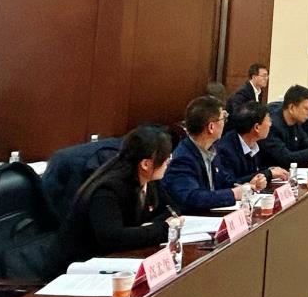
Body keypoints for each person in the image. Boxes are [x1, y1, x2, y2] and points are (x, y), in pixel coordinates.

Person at [60, 124, 180, 259]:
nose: (167, 163)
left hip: (122, 256)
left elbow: (171, 209)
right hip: (85, 261)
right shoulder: (107, 190)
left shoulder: (149, 179)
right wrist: (161, 229)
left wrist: (150, 228)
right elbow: (112, 238)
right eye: (165, 159)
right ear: (145, 164)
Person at [164, 96, 260, 213]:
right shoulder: (184, 158)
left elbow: (224, 181)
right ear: (211, 127)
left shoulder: (212, 150)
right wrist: (233, 194)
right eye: (223, 119)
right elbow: (191, 197)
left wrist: (245, 185)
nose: (224, 123)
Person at [217, 100, 290, 188]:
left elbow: (254, 171)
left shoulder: (255, 142)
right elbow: (231, 183)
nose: (270, 124)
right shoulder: (225, 149)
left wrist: (269, 170)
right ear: (256, 127)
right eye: (269, 120)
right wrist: (268, 173)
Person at [264, 86, 308, 169]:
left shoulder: (296, 123)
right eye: (306, 109)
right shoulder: (272, 126)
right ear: (291, 108)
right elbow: (286, 158)